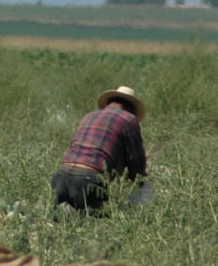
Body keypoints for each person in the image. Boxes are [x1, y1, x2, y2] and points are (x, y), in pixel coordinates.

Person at [50, 85, 148, 213]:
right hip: (87, 180)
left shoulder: (89, 116)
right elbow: (136, 160)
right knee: (99, 217)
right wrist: (139, 184)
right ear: (131, 108)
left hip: (61, 176)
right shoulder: (129, 119)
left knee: (56, 217)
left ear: (109, 102)